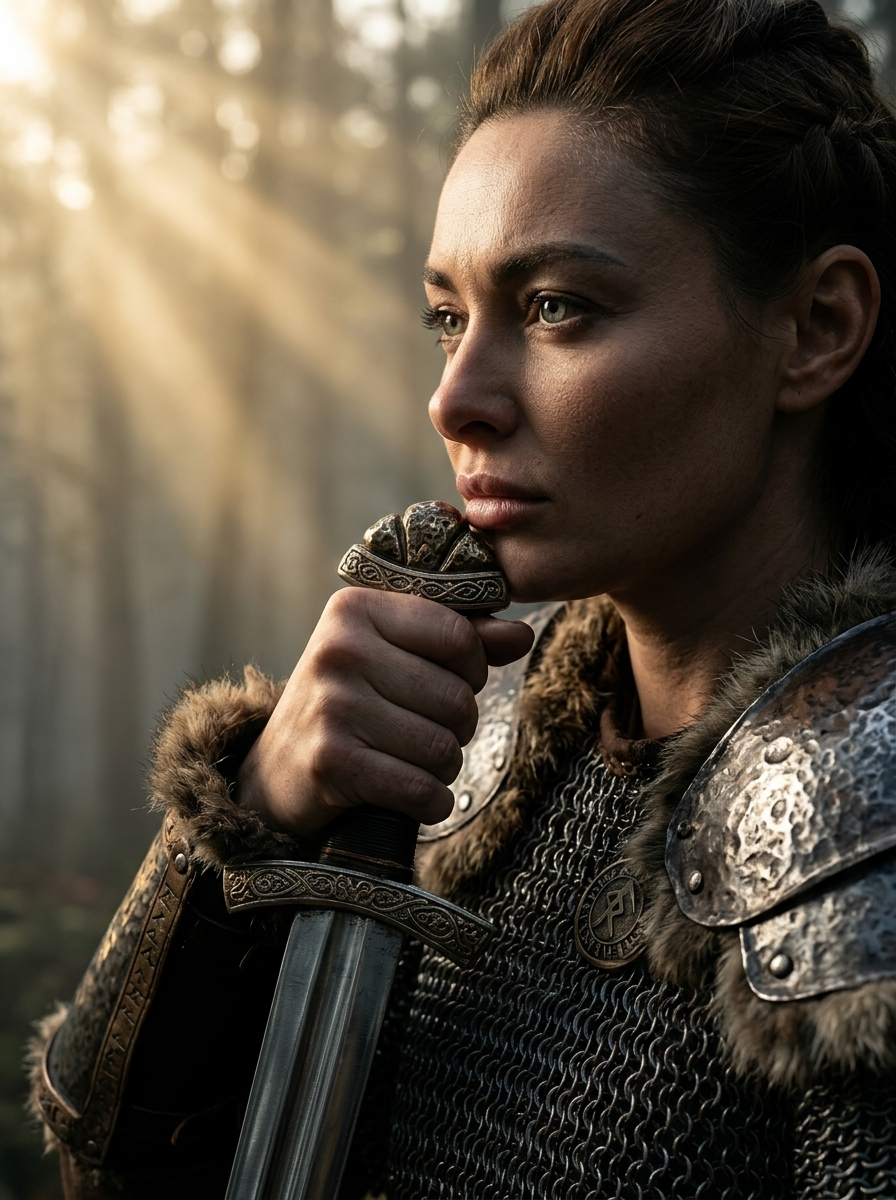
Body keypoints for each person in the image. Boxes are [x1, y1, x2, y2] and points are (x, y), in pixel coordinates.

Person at [29, 0, 895, 1195]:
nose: (455, 398)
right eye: (448, 318)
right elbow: (102, 1162)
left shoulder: (874, 823)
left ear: (815, 326)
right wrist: (255, 817)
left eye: (555, 309)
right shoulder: (466, 760)